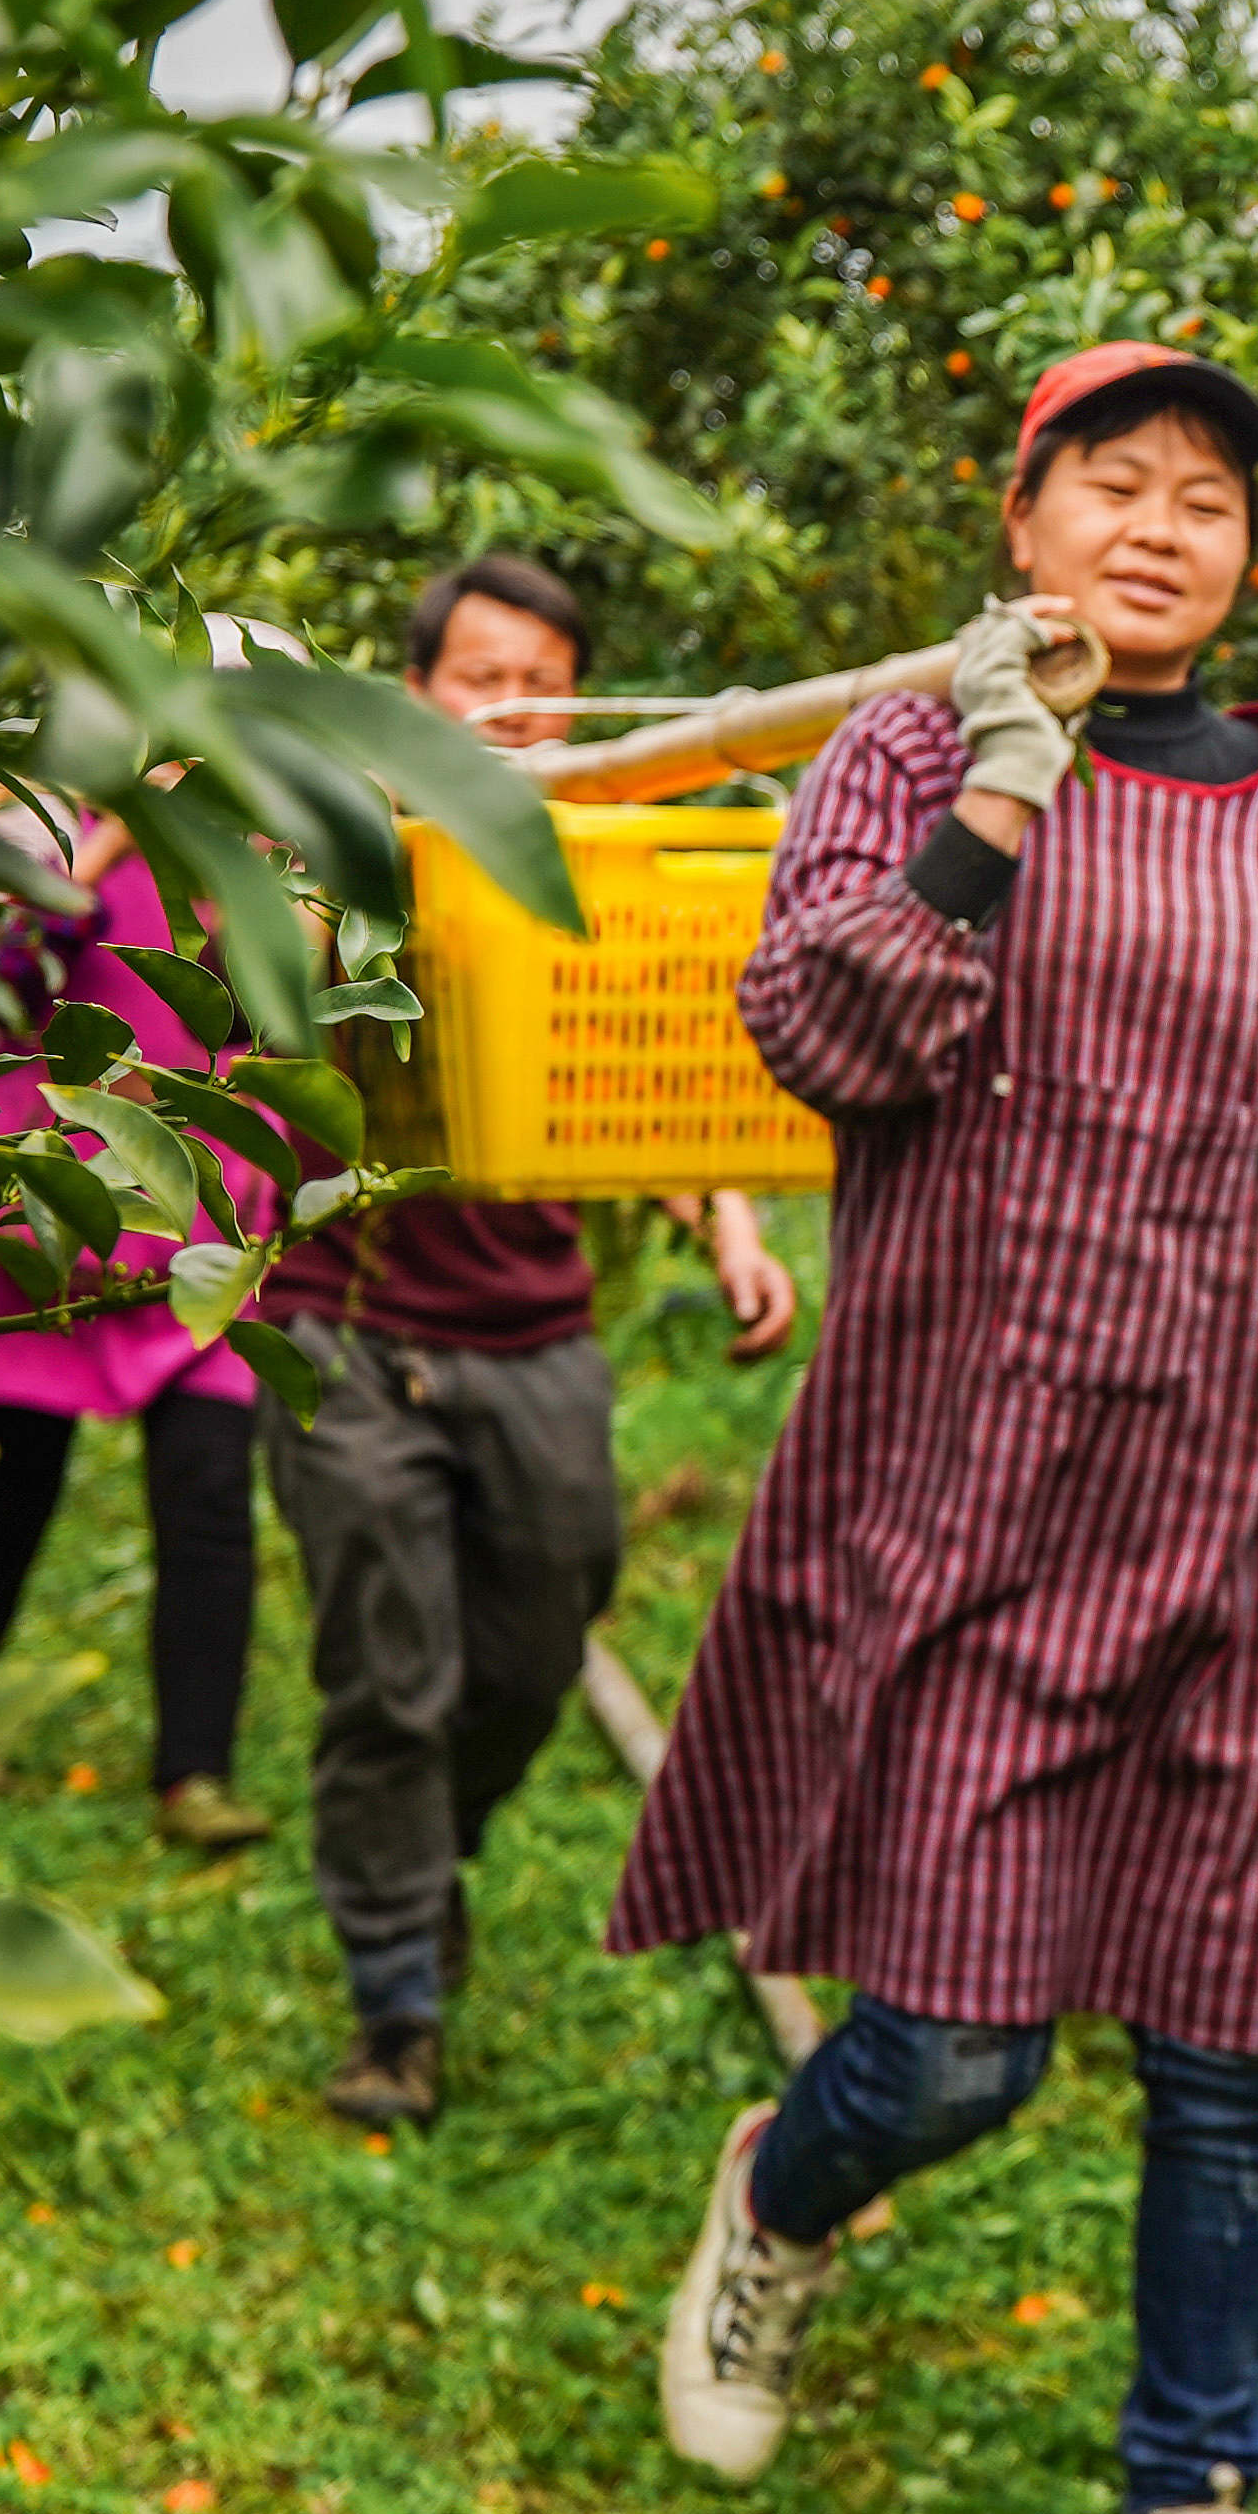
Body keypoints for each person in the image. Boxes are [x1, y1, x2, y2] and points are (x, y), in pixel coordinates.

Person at [616, 345, 1258, 2514]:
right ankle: (783, 2193)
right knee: (960, 2042)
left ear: (1253, 558)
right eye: (1115, 482)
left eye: (1208, 499)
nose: (1163, 524)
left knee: (1232, 2033)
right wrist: (999, 782)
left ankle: (1192, 2509)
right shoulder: (904, 749)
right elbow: (828, 1035)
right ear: (1026, 515)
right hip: (981, 1480)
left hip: (1246, 1479)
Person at [270, 552, 798, 2131]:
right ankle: (395, 2002)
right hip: (348, 1323)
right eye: (479, 673)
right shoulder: (348, 851)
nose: (514, 703)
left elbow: (638, 1053)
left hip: (532, 1320)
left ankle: (433, 1854)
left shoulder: (593, 861)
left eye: (542, 675)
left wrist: (728, 1220)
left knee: (545, 1629)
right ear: (420, 691)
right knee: (391, 1675)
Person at [0, 797, 280, 1851]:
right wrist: (104, 847)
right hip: (47, 1210)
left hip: (194, 1221)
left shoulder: (259, 863)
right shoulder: (47, 838)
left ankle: (195, 1775)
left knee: (207, 1501)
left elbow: (264, 1018)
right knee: (6, 1488)